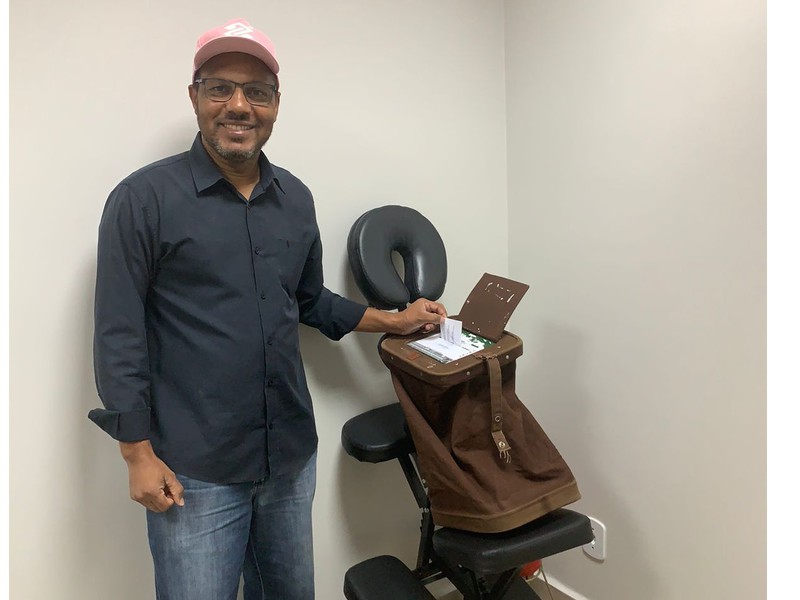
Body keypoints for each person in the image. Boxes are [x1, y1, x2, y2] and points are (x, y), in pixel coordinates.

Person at [88, 18, 446, 600]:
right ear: (194, 97)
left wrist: (397, 321)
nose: (238, 105)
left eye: (257, 91)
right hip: (195, 469)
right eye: (220, 88)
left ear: (276, 104)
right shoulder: (142, 200)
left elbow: (309, 301)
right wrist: (136, 453)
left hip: (289, 458)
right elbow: (117, 332)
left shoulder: (295, 199)